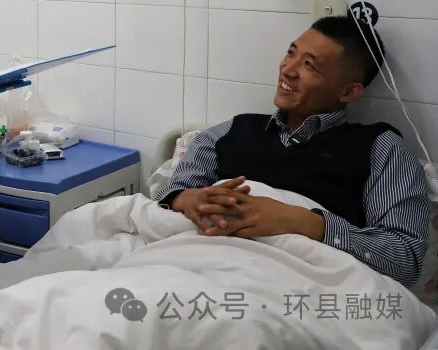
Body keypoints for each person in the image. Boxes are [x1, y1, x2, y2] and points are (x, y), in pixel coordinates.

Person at [156, 15, 429, 286]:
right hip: (198, 268)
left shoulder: (381, 149)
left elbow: (405, 260)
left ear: (348, 92)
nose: (288, 69)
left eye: (310, 65)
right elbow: (168, 202)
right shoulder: (226, 133)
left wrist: (303, 222)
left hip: (295, 287)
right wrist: (186, 199)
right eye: (291, 53)